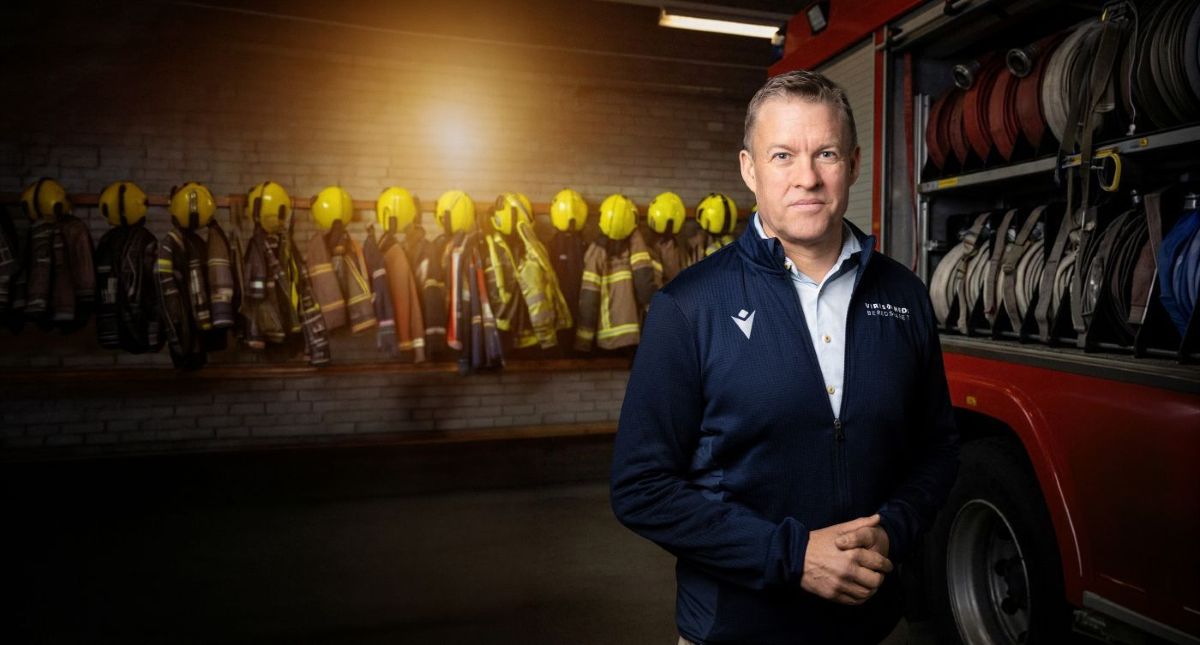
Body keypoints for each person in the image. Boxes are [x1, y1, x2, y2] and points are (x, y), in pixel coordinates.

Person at [610, 69, 960, 644]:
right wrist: (792, 556)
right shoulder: (690, 306)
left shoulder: (904, 295)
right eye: (782, 155)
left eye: (826, 153)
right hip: (734, 628)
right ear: (749, 168)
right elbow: (641, 487)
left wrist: (894, 530)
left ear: (853, 163)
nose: (807, 178)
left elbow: (937, 448)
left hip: (865, 628)